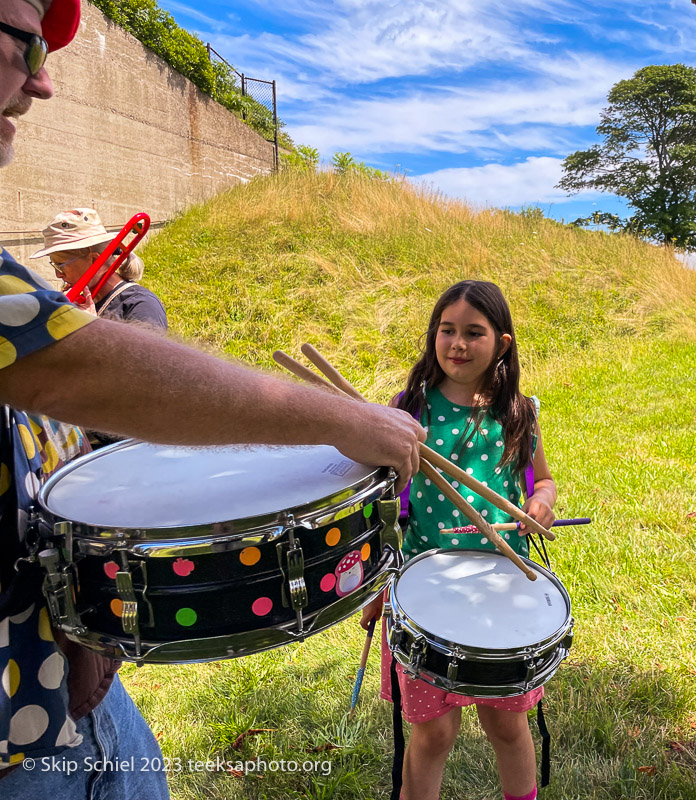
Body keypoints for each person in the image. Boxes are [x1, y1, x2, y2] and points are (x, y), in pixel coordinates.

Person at [0, 1, 424, 796]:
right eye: (24, 43)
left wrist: (73, 617)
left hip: (57, 680)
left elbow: (50, 419)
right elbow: (81, 370)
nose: (44, 81)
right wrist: (347, 418)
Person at [361, 280, 557, 800]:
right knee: (432, 735)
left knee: (507, 727)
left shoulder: (518, 414)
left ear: (503, 343)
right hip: (426, 595)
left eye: (474, 332)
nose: (457, 344)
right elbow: (384, 507)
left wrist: (542, 502)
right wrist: (379, 586)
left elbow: (543, 479)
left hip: (501, 592)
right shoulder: (410, 410)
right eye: (447, 330)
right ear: (433, 335)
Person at [30, 208, 167, 329]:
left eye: (60, 265)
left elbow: (144, 358)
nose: (58, 275)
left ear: (94, 260)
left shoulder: (142, 305)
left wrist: (91, 328)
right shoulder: (84, 305)